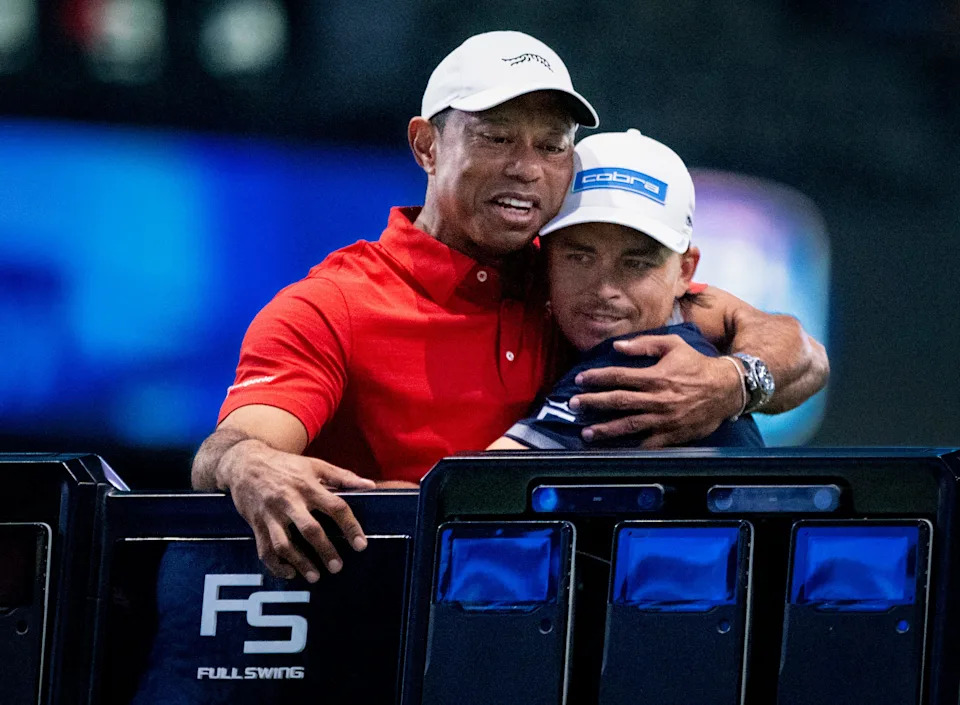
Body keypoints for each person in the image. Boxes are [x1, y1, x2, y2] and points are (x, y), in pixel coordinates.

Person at [192, 31, 829, 583]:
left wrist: (733, 382)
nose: (526, 168)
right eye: (497, 138)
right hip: (382, 625)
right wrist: (247, 463)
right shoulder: (331, 306)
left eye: (552, 146)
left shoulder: (579, 278)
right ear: (426, 146)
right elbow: (233, 447)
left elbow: (798, 351)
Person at [490, 129, 764, 450]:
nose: (605, 289)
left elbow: (475, 493)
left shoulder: (636, 367)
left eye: (636, 264)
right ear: (545, 258)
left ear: (685, 271)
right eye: (580, 257)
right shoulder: (685, 342)